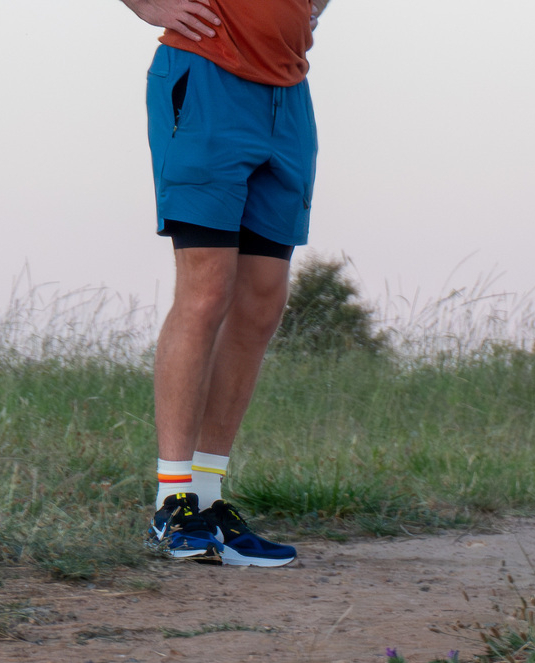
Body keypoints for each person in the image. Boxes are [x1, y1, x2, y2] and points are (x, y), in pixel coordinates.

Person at [121, 0, 331, 567]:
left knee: (263, 299)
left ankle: (209, 501)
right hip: (205, 76)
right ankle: (172, 503)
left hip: (286, 95)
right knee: (207, 288)